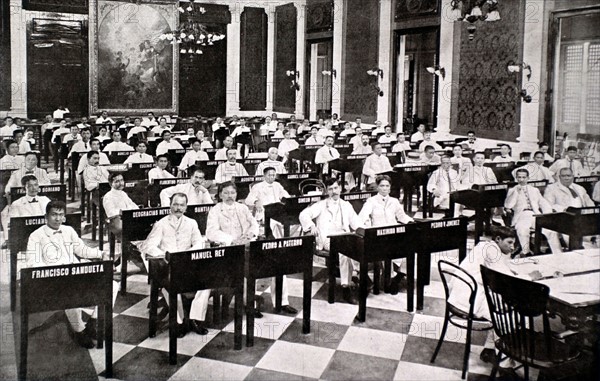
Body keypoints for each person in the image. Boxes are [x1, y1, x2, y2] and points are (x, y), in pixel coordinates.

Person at [25, 201, 117, 348]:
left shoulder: (68, 230)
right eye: (54, 214)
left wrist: (101, 253)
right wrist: (54, 273)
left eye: (61, 215)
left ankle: (94, 322)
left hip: (76, 272)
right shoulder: (36, 236)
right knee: (70, 292)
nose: (57, 218)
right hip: (53, 280)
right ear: (46, 217)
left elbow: (82, 250)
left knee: (112, 285)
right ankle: (78, 330)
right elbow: (32, 263)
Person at [140, 193, 211, 337]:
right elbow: (148, 246)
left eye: (182, 205)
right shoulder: (161, 224)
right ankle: (179, 321)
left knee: (208, 282)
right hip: (168, 265)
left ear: (186, 207)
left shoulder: (192, 223)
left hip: (188, 264)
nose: (178, 208)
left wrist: (190, 254)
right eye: (176, 204)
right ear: (170, 205)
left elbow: (199, 243)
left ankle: (195, 319)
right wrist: (165, 255)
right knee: (171, 285)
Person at [447, 226, 518, 365]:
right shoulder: (492, 250)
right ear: (498, 239)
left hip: (460, 293)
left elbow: (498, 271)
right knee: (505, 316)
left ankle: (489, 349)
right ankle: (504, 364)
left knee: (503, 309)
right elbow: (506, 279)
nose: (512, 247)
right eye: (509, 242)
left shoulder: (485, 245)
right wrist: (530, 276)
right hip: (470, 297)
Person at [300, 177, 364, 304]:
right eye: (330, 189)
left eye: (335, 188)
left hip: (344, 236)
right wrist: (311, 226)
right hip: (328, 238)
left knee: (359, 246)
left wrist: (362, 231)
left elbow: (356, 222)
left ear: (340, 188)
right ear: (327, 191)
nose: (334, 191)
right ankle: (346, 287)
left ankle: (358, 276)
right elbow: (303, 214)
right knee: (345, 252)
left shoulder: (346, 205)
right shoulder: (321, 205)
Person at [244, 168, 298, 314]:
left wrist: (289, 200)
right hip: (261, 224)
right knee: (255, 264)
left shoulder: (278, 186)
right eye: (269, 175)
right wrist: (256, 201)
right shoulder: (257, 187)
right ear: (264, 175)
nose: (272, 177)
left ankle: (282, 302)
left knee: (280, 264)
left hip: (276, 221)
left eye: (274, 175)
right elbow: (248, 200)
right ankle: (251, 302)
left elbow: (286, 197)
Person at [205, 182, 263, 317]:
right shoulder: (215, 210)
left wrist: (250, 234)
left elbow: (253, 223)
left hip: (245, 246)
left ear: (236, 194)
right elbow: (211, 232)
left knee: (256, 267)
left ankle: (248, 301)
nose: (229, 196)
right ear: (220, 195)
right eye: (225, 193)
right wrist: (231, 240)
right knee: (243, 268)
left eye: (232, 193)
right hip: (226, 249)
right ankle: (246, 302)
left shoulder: (242, 208)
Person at [358, 175, 413, 294]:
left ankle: (397, 278)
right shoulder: (371, 201)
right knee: (386, 251)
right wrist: (367, 228)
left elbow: (402, 216)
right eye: (382, 186)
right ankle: (388, 280)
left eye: (387, 186)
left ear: (390, 187)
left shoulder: (394, 201)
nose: (384, 188)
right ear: (377, 187)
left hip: (394, 233)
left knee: (411, 249)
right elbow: (361, 218)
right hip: (378, 236)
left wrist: (411, 222)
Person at [505, 169, 561, 256]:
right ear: (516, 178)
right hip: (522, 215)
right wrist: (516, 192)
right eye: (519, 177)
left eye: (524, 177)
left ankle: (558, 254)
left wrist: (547, 214)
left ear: (528, 178)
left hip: (536, 214)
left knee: (550, 230)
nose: (521, 179)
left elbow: (543, 203)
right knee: (522, 229)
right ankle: (526, 252)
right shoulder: (512, 190)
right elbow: (508, 205)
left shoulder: (534, 190)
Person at [102, 173, 139, 241]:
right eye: (117, 181)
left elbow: (132, 204)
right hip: (116, 221)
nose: (121, 183)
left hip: (128, 218)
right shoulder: (108, 196)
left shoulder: (123, 194)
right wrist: (123, 211)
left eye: (122, 180)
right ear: (111, 183)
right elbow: (110, 213)